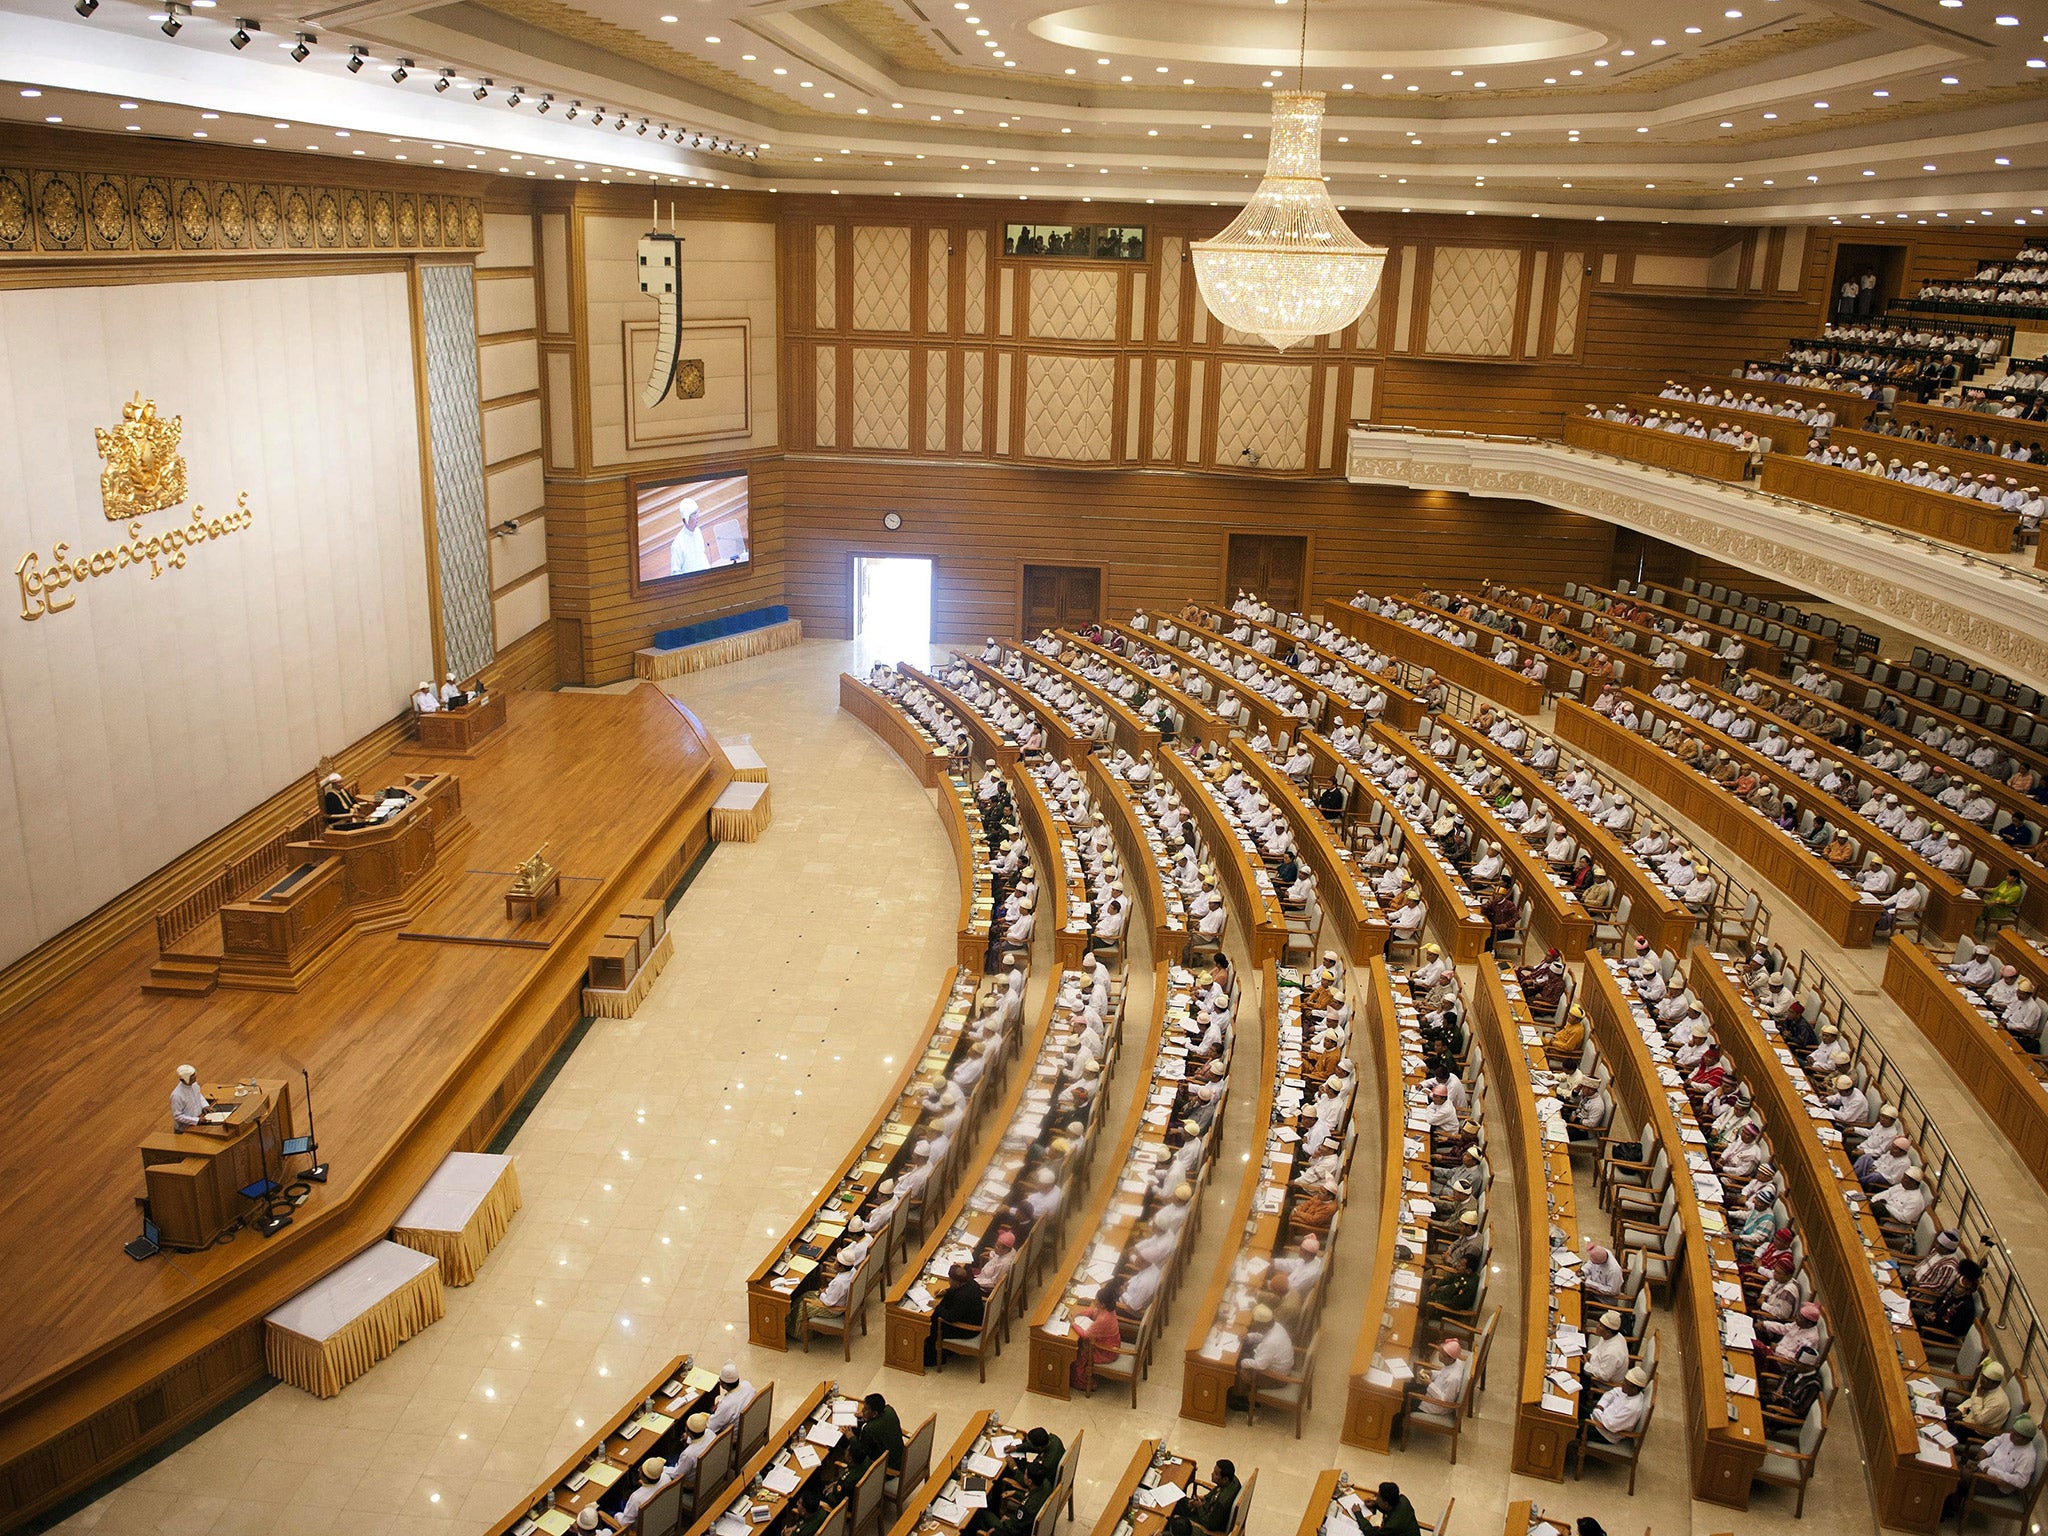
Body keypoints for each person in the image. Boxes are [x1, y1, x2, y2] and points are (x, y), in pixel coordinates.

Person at [926, 1262, 986, 1367]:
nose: (949, 1281)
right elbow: (956, 1291)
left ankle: (934, 1358)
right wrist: (946, 1291)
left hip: (967, 1330)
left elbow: (951, 1317)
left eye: (950, 1280)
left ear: (957, 1282)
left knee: (934, 1324)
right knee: (941, 1309)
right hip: (972, 1317)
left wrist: (936, 1306)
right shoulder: (972, 1283)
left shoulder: (962, 1296)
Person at [1071, 1278, 1124, 1391]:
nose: (1095, 1302)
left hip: (1106, 1351)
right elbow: (1092, 1311)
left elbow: (1085, 1334)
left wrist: (1073, 1324)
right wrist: (1078, 1313)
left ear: (1103, 1304)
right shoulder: (1108, 1308)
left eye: (1097, 1301)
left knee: (1081, 1351)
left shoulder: (1104, 1319)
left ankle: (1081, 1381)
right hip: (1109, 1342)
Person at [842, 1392, 904, 1483]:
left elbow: (861, 1454)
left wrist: (851, 1437)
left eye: (866, 1409)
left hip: (888, 1470)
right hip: (900, 1457)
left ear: (874, 1414)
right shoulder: (889, 1410)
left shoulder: (869, 1429)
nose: (862, 1411)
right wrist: (866, 1416)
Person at [1588, 1367, 1650, 1443]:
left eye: (1626, 1383)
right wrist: (1601, 1406)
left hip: (1603, 1433)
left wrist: (1597, 1411)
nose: (1622, 1384)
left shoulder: (1632, 1408)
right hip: (1600, 1414)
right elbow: (1612, 1392)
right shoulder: (1630, 1392)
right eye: (1624, 1380)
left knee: (1573, 1426)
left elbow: (1610, 1425)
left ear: (1635, 1389)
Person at [613, 1457, 672, 1529]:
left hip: (645, 1528)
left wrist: (616, 1515)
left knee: (613, 1506)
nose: (638, 1470)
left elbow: (625, 1523)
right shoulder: (666, 1478)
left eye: (640, 1470)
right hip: (663, 1517)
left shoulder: (637, 1498)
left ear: (644, 1478)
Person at [1187, 1461, 1241, 1534]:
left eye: (1216, 1474)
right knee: (1180, 1502)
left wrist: (1199, 1507)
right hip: (1208, 1508)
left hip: (1206, 1523)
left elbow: (1209, 1525)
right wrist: (1205, 1498)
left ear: (1225, 1479)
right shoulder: (1233, 1480)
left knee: (1175, 1516)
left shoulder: (1221, 1503)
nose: (1212, 1474)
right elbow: (1217, 1490)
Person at [1354, 1482, 1420, 1536]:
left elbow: (1373, 1534)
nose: (1376, 1498)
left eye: (1378, 1497)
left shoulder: (1391, 1526)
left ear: (1385, 1504)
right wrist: (1375, 1504)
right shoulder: (1402, 1499)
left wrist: (1358, 1514)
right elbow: (1390, 1509)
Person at [170, 1064, 209, 1131]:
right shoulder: (176, 1095)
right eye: (192, 1075)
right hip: (185, 1129)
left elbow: (198, 1095)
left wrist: (205, 1105)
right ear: (186, 1078)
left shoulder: (194, 1084)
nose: (195, 1076)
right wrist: (197, 1120)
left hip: (199, 1120)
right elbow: (178, 1116)